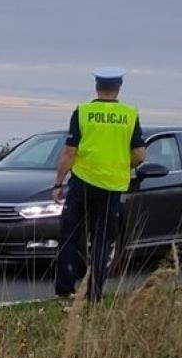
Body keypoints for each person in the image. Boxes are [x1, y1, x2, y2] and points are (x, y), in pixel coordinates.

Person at [52, 67, 147, 301]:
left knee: (71, 234)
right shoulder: (129, 114)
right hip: (112, 185)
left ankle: (66, 288)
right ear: (118, 88)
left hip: (83, 181)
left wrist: (58, 183)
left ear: (96, 87)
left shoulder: (83, 111)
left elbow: (69, 152)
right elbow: (140, 155)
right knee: (103, 239)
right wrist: (124, 164)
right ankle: (95, 293)